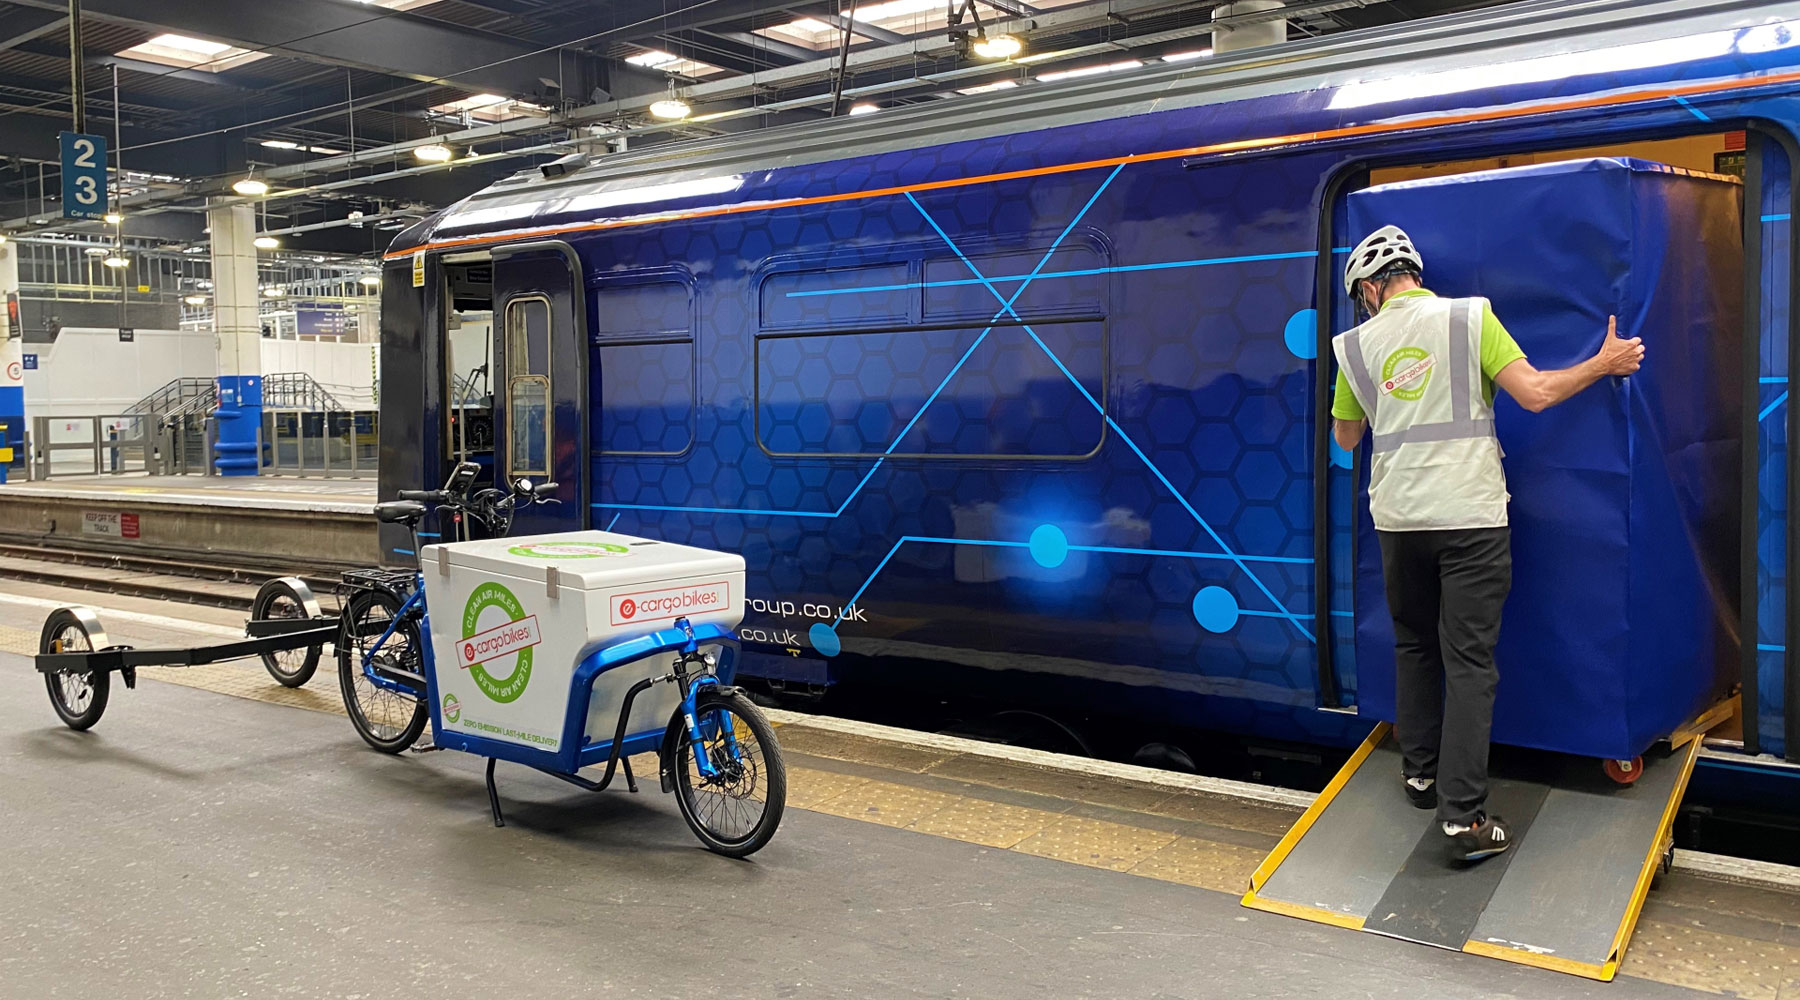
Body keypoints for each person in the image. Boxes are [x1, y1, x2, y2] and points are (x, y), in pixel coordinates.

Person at [1329, 225, 1645, 863]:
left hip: (1397, 520)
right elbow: (1535, 394)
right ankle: (1463, 818)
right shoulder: (1471, 318)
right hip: (1468, 515)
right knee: (1469, 662)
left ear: (1368, 289)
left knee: (1415, 645)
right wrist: (1604, 363)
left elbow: (1345, 438)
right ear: (1412, 274)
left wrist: (1388, 399)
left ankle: (1420, 776)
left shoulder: (1353, 347)